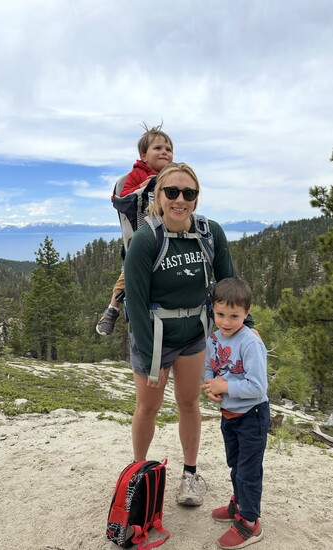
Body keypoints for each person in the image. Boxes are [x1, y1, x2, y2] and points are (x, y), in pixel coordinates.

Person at [124, 162, 256, 507]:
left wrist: (247, 327)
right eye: (172, 192)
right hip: (154, 337)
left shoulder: (210, 233)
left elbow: (228, 283)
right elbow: (135, 303)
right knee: (147, 408)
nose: (180, 199)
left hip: (194, 336)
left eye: (188, 193)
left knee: (189, 403)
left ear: (196, 197)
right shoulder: (145, 240)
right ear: (159, 196)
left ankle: (190, 474)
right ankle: (137, 474)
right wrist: (151, 359)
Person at [201, 277, 269, 549]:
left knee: (248, 471)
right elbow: (210, 368)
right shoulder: (213, 339)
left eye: (234, 316)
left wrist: (225, 386)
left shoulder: (250, 343)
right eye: (220, 314)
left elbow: (258, 387)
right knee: (236, 464)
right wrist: (211, 387)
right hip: (229, 414)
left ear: (246, 314)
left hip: (252, 415)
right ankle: (239, 505)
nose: (226, 322)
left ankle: (250, 523)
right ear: (213, 310)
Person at [96, 124, 174, 336]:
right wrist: (144, 187)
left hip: (169, 236)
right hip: (142, 235)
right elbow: (122, 198)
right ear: (144, 156)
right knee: (130, 270)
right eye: (158, 148)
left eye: (168, 149)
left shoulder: (173, 175)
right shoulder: (137, 174)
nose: (164, 152)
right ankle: (113, 308)